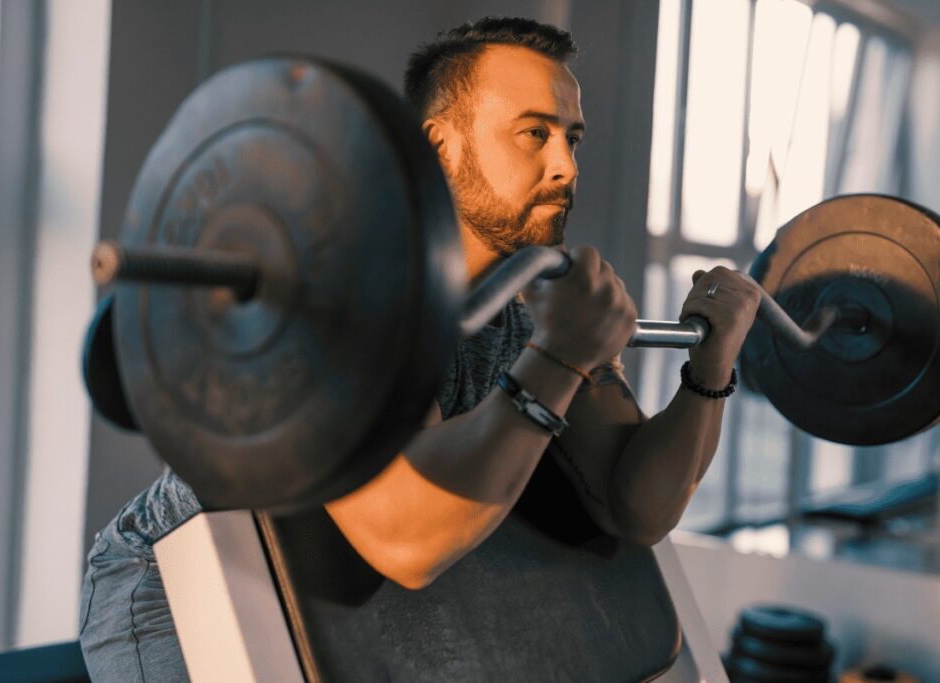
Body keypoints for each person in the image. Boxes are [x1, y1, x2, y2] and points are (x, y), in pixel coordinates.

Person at [79, 16, 761, 681]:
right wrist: (562, 355)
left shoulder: (527, 309)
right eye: (535, 133)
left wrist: (710, 368)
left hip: (334, 594)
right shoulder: (343, 289)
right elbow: (408, 539)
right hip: (183, 576)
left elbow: (635, 505)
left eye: (573, 139)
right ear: (440, 146)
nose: (564, 166)